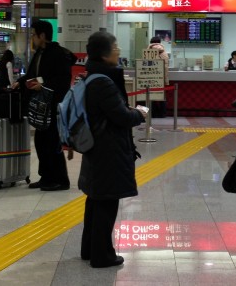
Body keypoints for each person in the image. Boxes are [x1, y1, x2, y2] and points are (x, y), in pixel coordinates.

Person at [79, 31, 145, 268]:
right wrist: (140, 113)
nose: (118, 51)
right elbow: (121, 116)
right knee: (107, 201)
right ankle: (102, 255)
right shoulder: (104, 81)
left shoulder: (91, 76)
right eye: (115, 47)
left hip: (96, 147)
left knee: (96, 200)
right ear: (104, 53)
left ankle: (89, 249)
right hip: (108, 149)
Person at [14, 19, 75, 191]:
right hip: (40, 104)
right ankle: (46, 176)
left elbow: (63, 81)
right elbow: (32, 74)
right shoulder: (40, 53)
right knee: (41, 142)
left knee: (52, 142)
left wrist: (45, 85)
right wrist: (20, 82)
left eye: (33, 34)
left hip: (53, 105)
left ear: (42, 35)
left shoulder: (57, 54)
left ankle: (61, 180)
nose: (32, 38)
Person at [146, 36, 169, 118]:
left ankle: (153, 113)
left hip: (151, 76)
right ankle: (162, 113)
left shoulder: (148, 51)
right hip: (161, 77)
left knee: (151, 95)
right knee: (162, 96)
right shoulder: (164, 52)